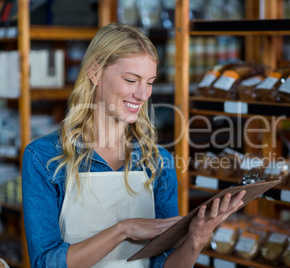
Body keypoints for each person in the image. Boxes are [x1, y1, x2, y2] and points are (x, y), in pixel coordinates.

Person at [22, 23, 245, 268]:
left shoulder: (158, 160)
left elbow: (162, 264)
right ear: (95, 73)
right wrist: (124, 229)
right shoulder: (43, 157)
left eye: (149, 82)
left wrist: (195, 240)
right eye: (131, 80)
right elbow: (45, 263)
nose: (143, 94)